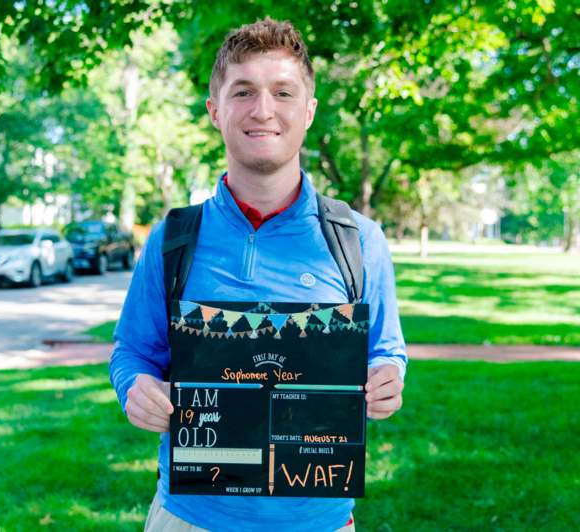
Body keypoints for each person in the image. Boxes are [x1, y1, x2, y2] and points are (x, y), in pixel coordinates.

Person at [110, 18, 407, 531]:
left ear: (308, 111)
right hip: (191, 516)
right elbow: (132, 351)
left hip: (319, 518)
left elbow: (386, 350)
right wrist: (134, 387)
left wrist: (389, 379)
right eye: (242, 91)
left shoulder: (359, 240)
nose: (263, 110)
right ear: (215, 111)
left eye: (283, 92)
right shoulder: (173, 239)